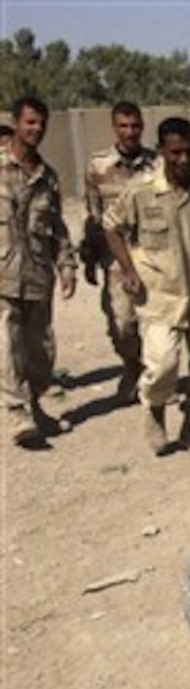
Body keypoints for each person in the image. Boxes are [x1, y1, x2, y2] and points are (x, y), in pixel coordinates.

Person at [102, 117, 190, 457]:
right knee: (162, 364)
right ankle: (155, 410)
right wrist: (128, 268)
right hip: (160, 294)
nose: (183, 160)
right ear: (161, 151)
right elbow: (112, 228)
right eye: (175, 153)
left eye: (189, 152)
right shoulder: (140, 191)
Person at [0, 97, 78, 446]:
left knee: (41, 349)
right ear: (15, 123)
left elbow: (57, 227)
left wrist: (66, 266)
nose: (36, 129)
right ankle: (17, 415)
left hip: (37, 276)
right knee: (7, 345)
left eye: (41, 123)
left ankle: (34, 406)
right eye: (30, 122)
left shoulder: (47, 177)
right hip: (2, 275)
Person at [80, 101, 158, 403]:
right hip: (114, 258)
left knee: (153, 319)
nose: (130, 132)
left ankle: (153, 376)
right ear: (114, 128)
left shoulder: (157, 164)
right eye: (123, 126)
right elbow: (93, 214)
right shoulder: (99, 166)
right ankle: (132, 366)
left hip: (151, 254)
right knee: (122, 323)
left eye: (135, 126)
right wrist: (89, 257)